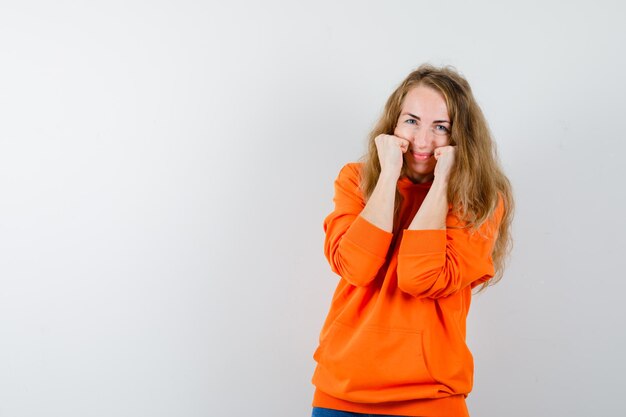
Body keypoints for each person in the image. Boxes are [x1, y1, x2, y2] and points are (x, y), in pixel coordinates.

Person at [311, 64, 514, 417]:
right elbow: (356, 268)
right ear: (393, 123)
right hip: (341, 394)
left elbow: (421, 278)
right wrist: (388, 173)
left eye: (441, 127)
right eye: (411, 121)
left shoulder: (480, 199)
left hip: (431, 400)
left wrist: (442, 183)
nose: (422, 141)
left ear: (460, 137)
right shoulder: (355, 180)